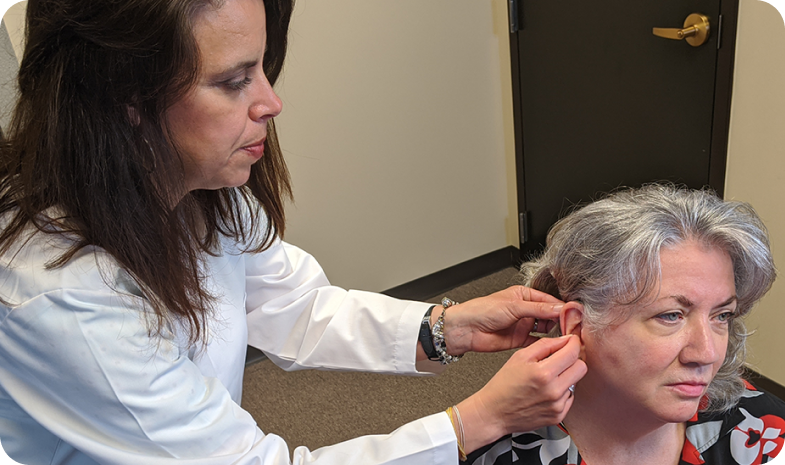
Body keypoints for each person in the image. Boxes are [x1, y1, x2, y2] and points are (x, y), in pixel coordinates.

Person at [0, 0, 588, 464]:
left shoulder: (199, 188)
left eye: (262, 69)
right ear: (124, 97)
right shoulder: (64, 299)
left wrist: (449, 327)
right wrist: (475, 422)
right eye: (234, 81)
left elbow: (297, 306)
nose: (271, 102)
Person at [464, 184, 785, 465]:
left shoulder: (764, 432)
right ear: (578, 326)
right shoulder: (495, 450)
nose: (707, 353)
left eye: (721, 315)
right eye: (670, 315)